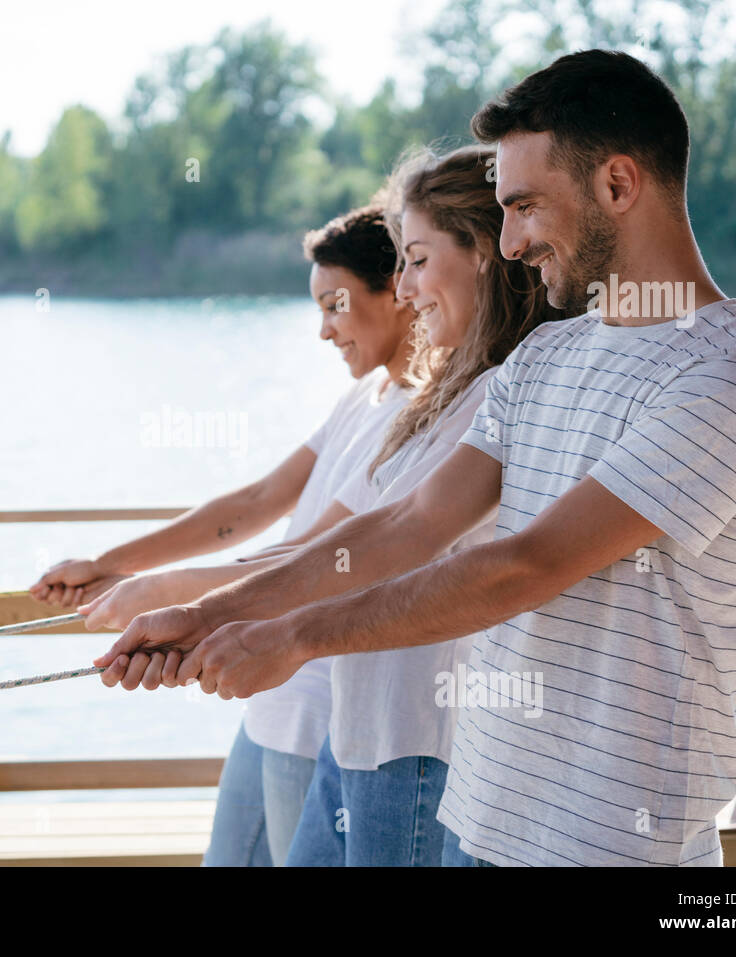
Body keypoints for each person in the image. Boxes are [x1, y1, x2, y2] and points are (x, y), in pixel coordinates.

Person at [95, 49, 736, 868]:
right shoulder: (543, 360)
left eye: (526, 206)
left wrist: (294, 636)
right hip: (482, 824)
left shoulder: (733, 373)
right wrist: (216, 611)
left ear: (618, 184)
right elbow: (410, 521)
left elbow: (526, 564)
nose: (509, 244)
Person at [84, 146, 566, 866]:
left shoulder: (499, 394)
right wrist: (186, 604)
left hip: (414, 743)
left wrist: (211, 609)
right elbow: (337, 532)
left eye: (418, 260)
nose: (405, 289)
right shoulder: (440, 396)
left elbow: (401, 535)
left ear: (486, 255)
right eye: (401, 263)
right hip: (364, 728)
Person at [31, 205, 419, 865]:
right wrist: (109, 564)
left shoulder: (416, 419)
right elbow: (257, 501)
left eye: (336, 305)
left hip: (316, 711)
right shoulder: (366, 396)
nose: (323, 330)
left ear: (398, 291)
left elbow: (308, 556)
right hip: (267, 702)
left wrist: (159, 593)